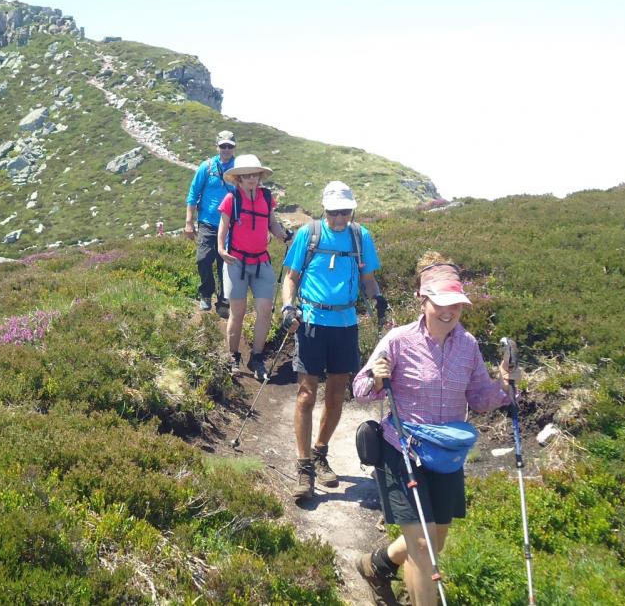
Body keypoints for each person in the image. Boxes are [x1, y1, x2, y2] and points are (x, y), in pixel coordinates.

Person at [351, 252, 518, 606]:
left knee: (435, 540)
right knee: (424, 547)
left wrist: (504, 387)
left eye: (456, 303)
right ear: (422, 300)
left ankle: (377, 565)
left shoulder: (468, 346)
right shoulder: (398, 340)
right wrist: (377, 380)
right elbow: (360, 389)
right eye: (441, 302)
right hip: (403, 451)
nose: (449, 311)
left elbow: (479, 397)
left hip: (446, 456)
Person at [279, 181, 382, 501]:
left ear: (352, 210)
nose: (339, 217)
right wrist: (287, 307)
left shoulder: (360, 236)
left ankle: (320, 451)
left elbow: (368, 280)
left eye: (345, 211)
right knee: (306, 394)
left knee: (337, 394)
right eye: (334, 211)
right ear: (324, 209)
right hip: (311, 321)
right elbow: (291, 277)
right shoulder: (307, 234)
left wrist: (378, 299)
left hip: (345, 324)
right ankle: (304, 465)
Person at [216, 154, 292, 378]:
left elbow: (273, 225)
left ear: (259, 176)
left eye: (254, 174)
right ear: (238, 179)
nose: (251, 178)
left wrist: (285, 237)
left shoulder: (267, 198)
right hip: (236, 261)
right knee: (237, 312)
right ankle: (233, 356)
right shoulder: (231, 199)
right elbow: (223, 226)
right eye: (246, 175)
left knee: (265, 310)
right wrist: (221, 249)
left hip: (261, 261)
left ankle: (257, 359)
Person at [185, 130, 237, 316]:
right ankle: (206, 293)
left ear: (234, 148)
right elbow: (193, 194)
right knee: (203, 258)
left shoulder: (238, 169)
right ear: (217, 147)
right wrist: (189, 222)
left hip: (231, 225)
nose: (226, 149)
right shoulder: (206, 167)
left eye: (229, 146)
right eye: (223, 146)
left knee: (226, 263)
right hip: (207, 222)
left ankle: (224, 299)